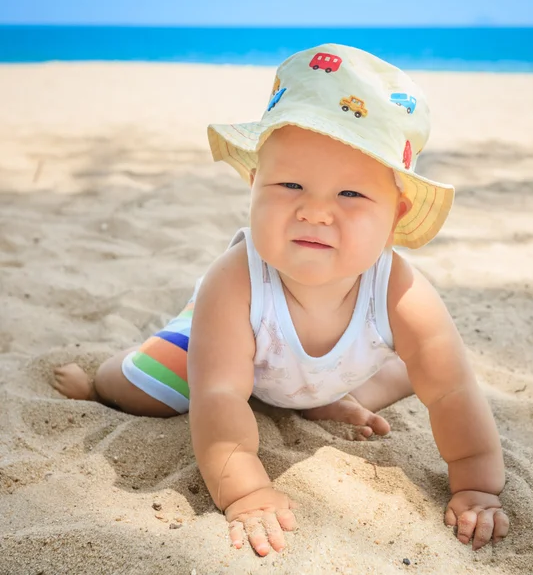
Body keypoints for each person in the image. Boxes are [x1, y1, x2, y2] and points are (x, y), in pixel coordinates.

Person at [52, 43, 509, 556]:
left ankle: (316, 397)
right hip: (219, 344)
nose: (315, 212)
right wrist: (246, 492)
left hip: (308, 372)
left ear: (396, 216)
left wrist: (476, 485)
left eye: (350, 194)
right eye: (290, 184)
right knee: (141, 388)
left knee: (430, 369)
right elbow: (219, 398)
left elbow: (451, 394)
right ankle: (100, 381)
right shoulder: (236, 281)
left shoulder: (401, 292)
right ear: (254, 184)